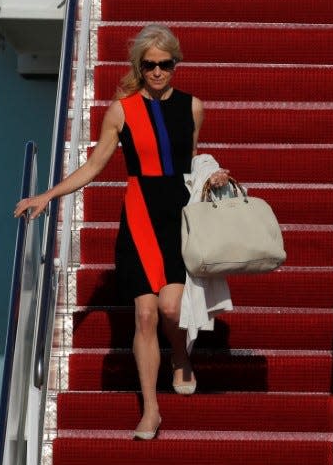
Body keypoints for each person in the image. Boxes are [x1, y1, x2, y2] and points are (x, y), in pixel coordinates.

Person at [13, 24, 229, 440]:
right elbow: (94, 168)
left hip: (179, 217)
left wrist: (212, 175)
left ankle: (181, 354)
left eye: (165, 64)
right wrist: (48, 196)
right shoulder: (122, 111)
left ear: (175, 64)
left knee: (171, 308)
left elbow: (193, 157)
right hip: (140, 216)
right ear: (139, 67)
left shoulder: (194, 107)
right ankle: (151, 409)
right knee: (145, 314)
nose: (157, 72)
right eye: (149, 65)